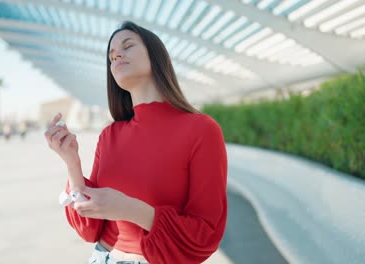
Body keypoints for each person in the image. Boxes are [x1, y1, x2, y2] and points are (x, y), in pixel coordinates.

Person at [44, 21, 228, 264]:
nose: (116, 55)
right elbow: (89, 230)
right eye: (111, 56)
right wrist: (72, 163)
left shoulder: (202, 130)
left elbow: (206, 234)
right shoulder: (110, 135)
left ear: (156, 56)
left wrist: (131, 209)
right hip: (102, 257)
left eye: (127, 46)